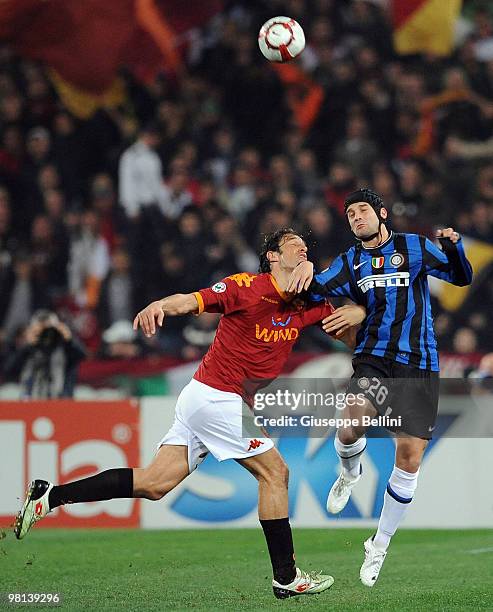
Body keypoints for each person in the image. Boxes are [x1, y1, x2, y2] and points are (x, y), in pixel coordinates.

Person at [14, 229, 366, 600]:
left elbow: (348, 327)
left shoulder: (306, 302)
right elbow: (191, 300)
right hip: (217, 395)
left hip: (210, 398)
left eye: (307, 248)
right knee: (275, 472)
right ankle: (286, 576)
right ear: (273, 256)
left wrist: (362, 321)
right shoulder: (245, 287)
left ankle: (50, 496)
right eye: (296, 246)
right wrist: (160, 306)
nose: (305, 251)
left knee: (153, 484)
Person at [289, 188, 473, 587]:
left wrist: (455, 248)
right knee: (349, 423)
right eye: (350, 213)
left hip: (419, 363)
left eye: (362, 210)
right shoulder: (349, 262)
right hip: (374, 356)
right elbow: (312, 292)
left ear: (382, 213)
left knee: (408, 458)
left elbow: (461, 277)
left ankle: (380, 543)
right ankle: (349, 472)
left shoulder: (414, 247)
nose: (356, 217)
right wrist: (300, 273)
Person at [3, 309, 86, 398]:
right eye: (41, 330)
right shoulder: (28, 350)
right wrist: (28, 345)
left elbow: (82, 355)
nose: (46, 335)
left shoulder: (66, 350)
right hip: (28, 404)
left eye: (49, 330)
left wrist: (69, 340)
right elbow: (8, 371)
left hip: (61, 405)